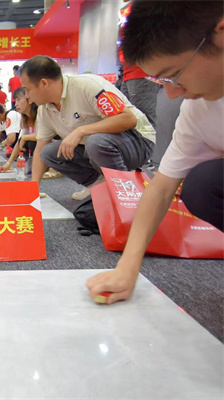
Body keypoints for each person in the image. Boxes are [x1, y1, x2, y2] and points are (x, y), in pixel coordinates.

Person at [87, 1, 224, 305]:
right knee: (203, 185)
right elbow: (161, 189)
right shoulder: (199, 110)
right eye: (160, 82)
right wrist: (127, 268)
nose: (172, 93)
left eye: (174, 74)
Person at [20, 55, 156, 200]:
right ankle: (98, 186)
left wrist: (81, 131)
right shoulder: (45, 110)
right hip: (97, 148)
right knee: (49, 152)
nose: (27, 96)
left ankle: (125, 192)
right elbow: (41, 148)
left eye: (27, 90)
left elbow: (128, 119)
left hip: (138, 140)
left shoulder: (87, 86)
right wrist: (33, 188)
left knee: (96, 142)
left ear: (43, 83)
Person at [0, 87, 38, 172]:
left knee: (30, 143)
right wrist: (8, 163)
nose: (16, 104)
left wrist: (24, 138)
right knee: (25, 142)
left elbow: (45, 136)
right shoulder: (25, 119)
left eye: (19, 100)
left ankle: (51, 168)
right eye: (15, 101)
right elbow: (19, 142)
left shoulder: (40, 114)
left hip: (54, 146)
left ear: (30, 99)